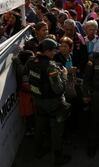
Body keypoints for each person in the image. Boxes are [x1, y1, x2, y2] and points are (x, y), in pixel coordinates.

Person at [26, 38, 71, 166]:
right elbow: (59, 89)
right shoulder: (51, 67)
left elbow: (26, 77)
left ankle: (38, 151)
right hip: (53, 103)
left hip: (37, 100)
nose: (55, 52)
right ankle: (58, 157)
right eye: (53, 50)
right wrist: (64, 75)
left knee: (40, 127)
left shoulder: (31, 61)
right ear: (47, 51)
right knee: (57, 130)